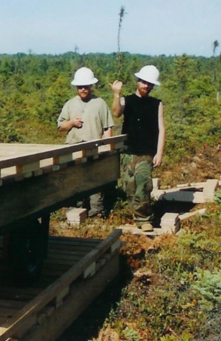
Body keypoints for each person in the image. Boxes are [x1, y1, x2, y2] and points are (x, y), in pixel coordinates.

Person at [110, 65, 165, 231]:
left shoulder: (157, 104)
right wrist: (116, 94)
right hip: (129, 151)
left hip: (147, 152)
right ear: (138, 81)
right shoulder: (128, 100)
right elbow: (116, 112)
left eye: (149, 84)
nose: (146, 86)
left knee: (143, 184)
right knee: (130, 187)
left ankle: (145, 219)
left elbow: (162, 129)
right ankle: (137, 215)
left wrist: (159, 152)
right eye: (143, 82)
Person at [57, 67, 115, 217]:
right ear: (76, 87)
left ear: (91, 86)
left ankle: (96, 213)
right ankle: (76, 213)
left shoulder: (100, 103)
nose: (83, 89)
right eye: (80, 86)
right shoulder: (69, 104)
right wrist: (71, 123)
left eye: (86, 86)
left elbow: (107, 127)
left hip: (94, 148)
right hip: (73, 148)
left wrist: (106, 149)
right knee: (74, 182)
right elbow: (61, 126)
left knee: (95, 182)